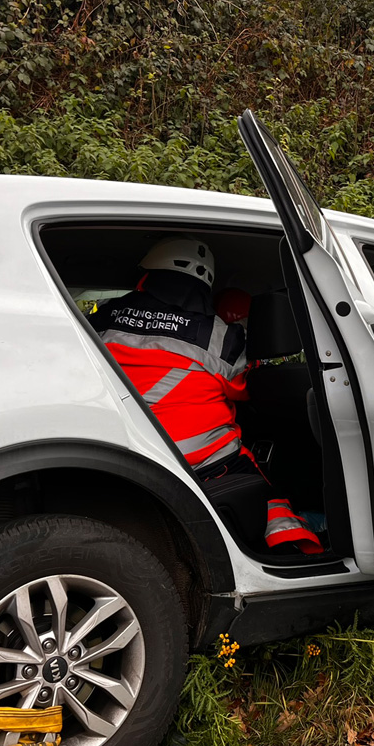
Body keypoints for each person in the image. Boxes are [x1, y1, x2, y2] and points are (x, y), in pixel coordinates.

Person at [90, 235, 322, 554]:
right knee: (256, 476)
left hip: (113, 446)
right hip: (195, 459)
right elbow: (241, 390)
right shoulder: (222, 335)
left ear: (148, 276)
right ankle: (290, 544)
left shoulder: (103, 316)